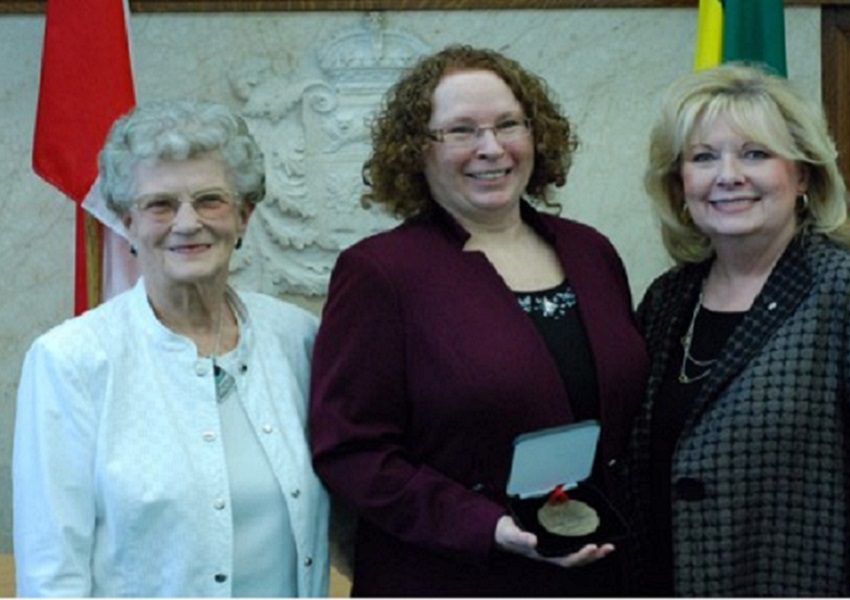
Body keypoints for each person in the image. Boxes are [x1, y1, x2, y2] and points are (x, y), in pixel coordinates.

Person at [309, 45, 649, 597]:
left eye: (508, 125)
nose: (491, 148)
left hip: (598, 573)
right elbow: (352, 452)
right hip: (452, 575)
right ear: (416, 150)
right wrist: (485, 526)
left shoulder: (592, 253)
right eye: (462, 131)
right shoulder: (380, 273)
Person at [625, 63, 850, 597]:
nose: (727, 175)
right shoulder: (668, 298)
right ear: (679, 184)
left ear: (802, 176)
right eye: (704, 157)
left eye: (755, 154)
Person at [12, 99, 330, 597]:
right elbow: (52, 571)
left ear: (244, 216)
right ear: (125, 222)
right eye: (160, 205)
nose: (187, 223)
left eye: (210, 200)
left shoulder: (297, 338)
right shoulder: (70, 360)